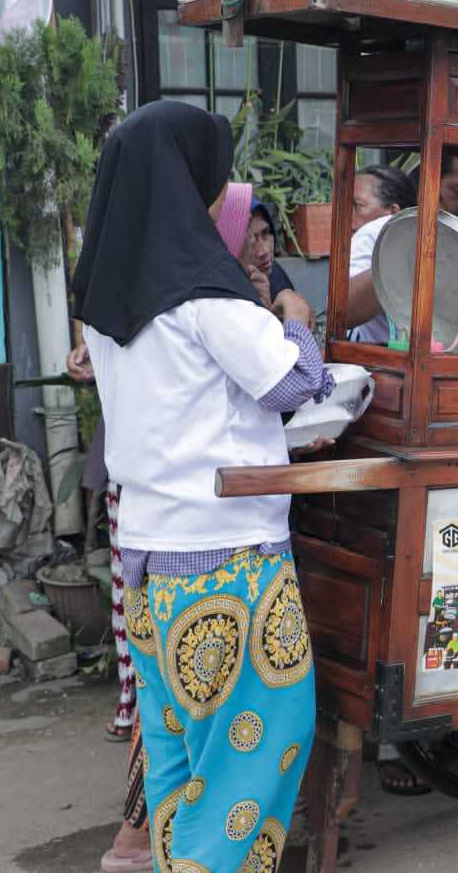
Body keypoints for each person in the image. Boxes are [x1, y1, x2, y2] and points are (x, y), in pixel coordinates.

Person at [72, 100, 333, 873]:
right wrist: (293, 311)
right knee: (253, 762)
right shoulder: (204, 296)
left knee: (181, 764)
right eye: (214, 181)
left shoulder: (105, 301)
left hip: (149, 565)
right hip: (230, 564)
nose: (222, 199)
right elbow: (298, 382)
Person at [344, 155, 458, 343]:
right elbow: (344, 313)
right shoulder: (379, 234)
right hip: (382, 365)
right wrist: (405, 250)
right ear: (430, 183)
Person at [345, 165, 418, 343]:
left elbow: (343, 310)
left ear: (393, 213)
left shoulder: (372, 233)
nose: (345, 216)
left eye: (357, 206)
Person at [245, 200, 295, 301]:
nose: (263, 251)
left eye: (265, 233)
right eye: (250, 240)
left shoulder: (276, 276)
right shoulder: (223, 298)